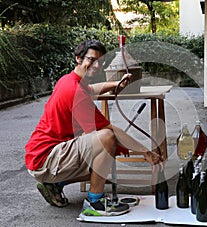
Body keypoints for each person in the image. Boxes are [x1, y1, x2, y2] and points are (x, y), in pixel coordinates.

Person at [24, 39, 162, 216]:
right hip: (45, 158)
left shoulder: (70, 80)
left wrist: (115, 83)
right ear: (78, 59)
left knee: (102, 157)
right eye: (91, 59)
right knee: (106, 139)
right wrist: (146, 152)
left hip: (44, 154)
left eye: (100, 62)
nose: (96, 65)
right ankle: (94, 202)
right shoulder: (75, 91)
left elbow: (92, 89)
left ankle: (56, 184)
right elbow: (110, 131)